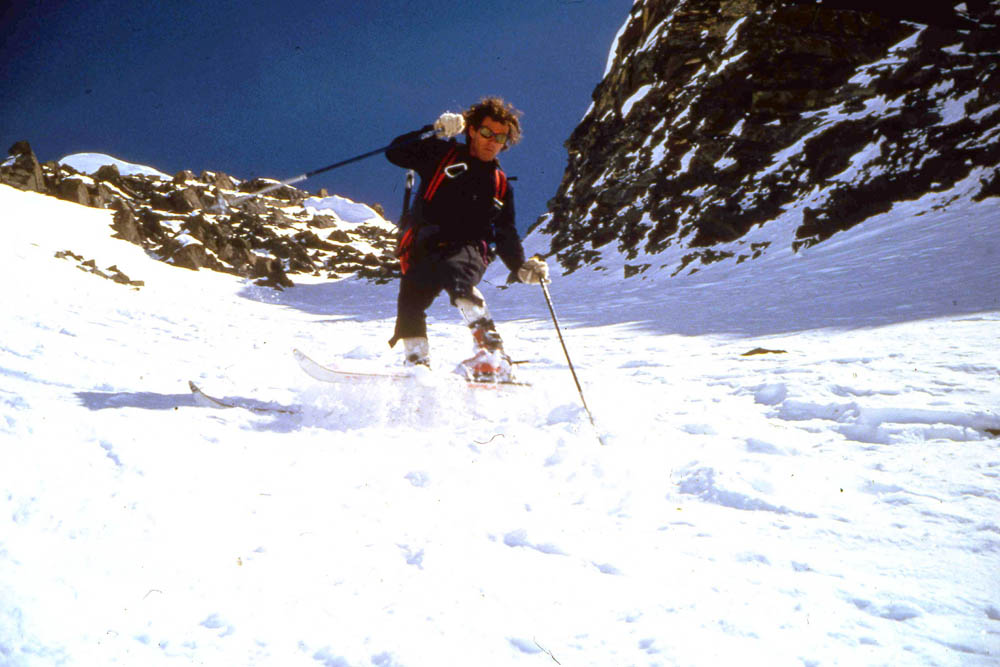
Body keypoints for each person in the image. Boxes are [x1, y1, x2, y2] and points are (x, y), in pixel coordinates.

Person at [385, 97, 549, 382]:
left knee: (457, 276)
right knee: (410, 304)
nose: (492, 141)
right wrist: (434, 130)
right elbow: (396, 152)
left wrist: (520, 266)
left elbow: (506, 232)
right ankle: (416, 366)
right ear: (471, 130)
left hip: (470, 246)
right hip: (424, 247)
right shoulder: (442, 154)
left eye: (501, 137)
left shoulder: (499, 184)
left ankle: (491, 352)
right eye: (487, 132)